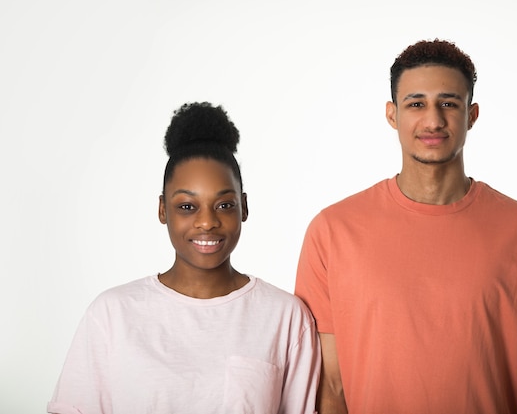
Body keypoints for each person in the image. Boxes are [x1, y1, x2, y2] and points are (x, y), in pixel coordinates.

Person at [294, 39, 517, 414]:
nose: (433, 120)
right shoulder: (332, 232)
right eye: (416, 104)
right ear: (392, 114)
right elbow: (330, 387)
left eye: (449, 103)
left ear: (472, 115)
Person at [48, 102, 320, 414]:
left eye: (224, 205)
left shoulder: (285, 316)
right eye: (187, 206)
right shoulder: (112, 314)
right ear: (163, 209)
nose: (207, 222)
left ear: (244, 207)